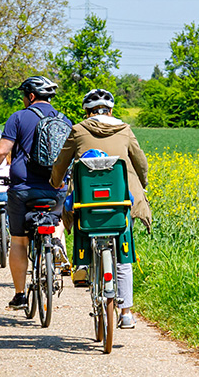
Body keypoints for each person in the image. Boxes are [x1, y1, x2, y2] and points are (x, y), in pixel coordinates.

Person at [49, 88, 151, 329]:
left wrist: (55, 182)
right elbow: (141, 162)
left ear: (87, 112)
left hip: (88, 202)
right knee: (124, 252)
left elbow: (61, 163)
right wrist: (143, 184)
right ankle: (126, 313)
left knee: (80, 216)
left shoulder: (78, 130)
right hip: (121, 201)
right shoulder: (124, 129)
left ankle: (83, 265)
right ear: (111, 111)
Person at [0, 76, 72, 310]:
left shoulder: (18, 117)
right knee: (56, 220)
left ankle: (20, 295)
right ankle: (55, 243)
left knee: (19, 240)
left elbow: (1, 151)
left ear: (30, 96)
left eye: (23, 96)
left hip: (24, 189)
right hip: (57, 189)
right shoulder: (64, 120)